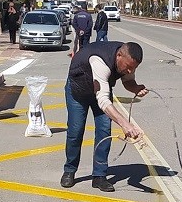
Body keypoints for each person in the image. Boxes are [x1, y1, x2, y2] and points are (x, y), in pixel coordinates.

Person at [61, 41, 148, 192]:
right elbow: (103, 101)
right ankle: (69, 170)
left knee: (104, 130)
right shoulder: (100, 61)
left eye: (133, 68)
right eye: (128, 67)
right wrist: (125, 124)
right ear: (119, 55)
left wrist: (136, 88)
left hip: (101, 91)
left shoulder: (128, 60)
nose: (129, 70)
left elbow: (128, 82)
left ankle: (99, 176)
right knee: (75, 131)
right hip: (78, 92)